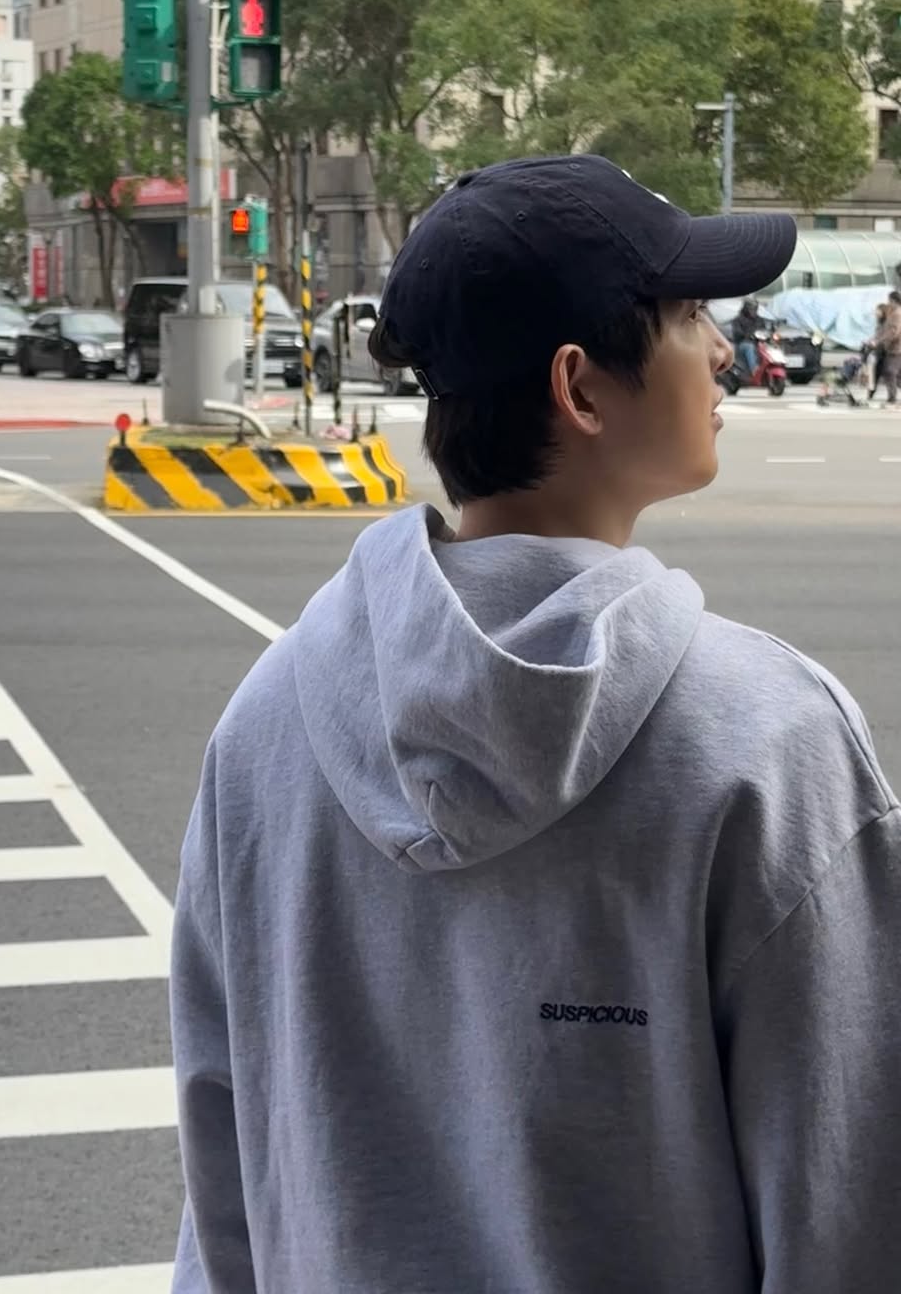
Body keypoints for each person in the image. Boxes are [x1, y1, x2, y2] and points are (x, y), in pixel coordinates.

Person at [170, 156, 901, 1294]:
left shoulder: (266, 723)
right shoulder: (764, 738)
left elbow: (223, 1173)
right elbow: (847, 1208)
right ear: (582, 388)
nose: (721, 352)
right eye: (688, 317)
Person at [730, 295, 762, 379]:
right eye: (751, 308)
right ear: (746, 308)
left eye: (755, 308)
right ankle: (754, 371)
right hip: (743, 343)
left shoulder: (759, 319)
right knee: (749, 347)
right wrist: (747, 335)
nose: (753, 310)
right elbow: (737, 332)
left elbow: (764, 329)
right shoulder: (738, 319)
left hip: (759, 343)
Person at [881, 288, 901, 405]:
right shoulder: (894, 313)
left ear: (894, 301)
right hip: (895, 347)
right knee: (896, 373)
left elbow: (894, 331)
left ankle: (892, 397)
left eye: (889, 301)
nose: (888, 303)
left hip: (896, 348)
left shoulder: (897, 314)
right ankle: (892, 396)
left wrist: (881, 341)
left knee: (890, 372)